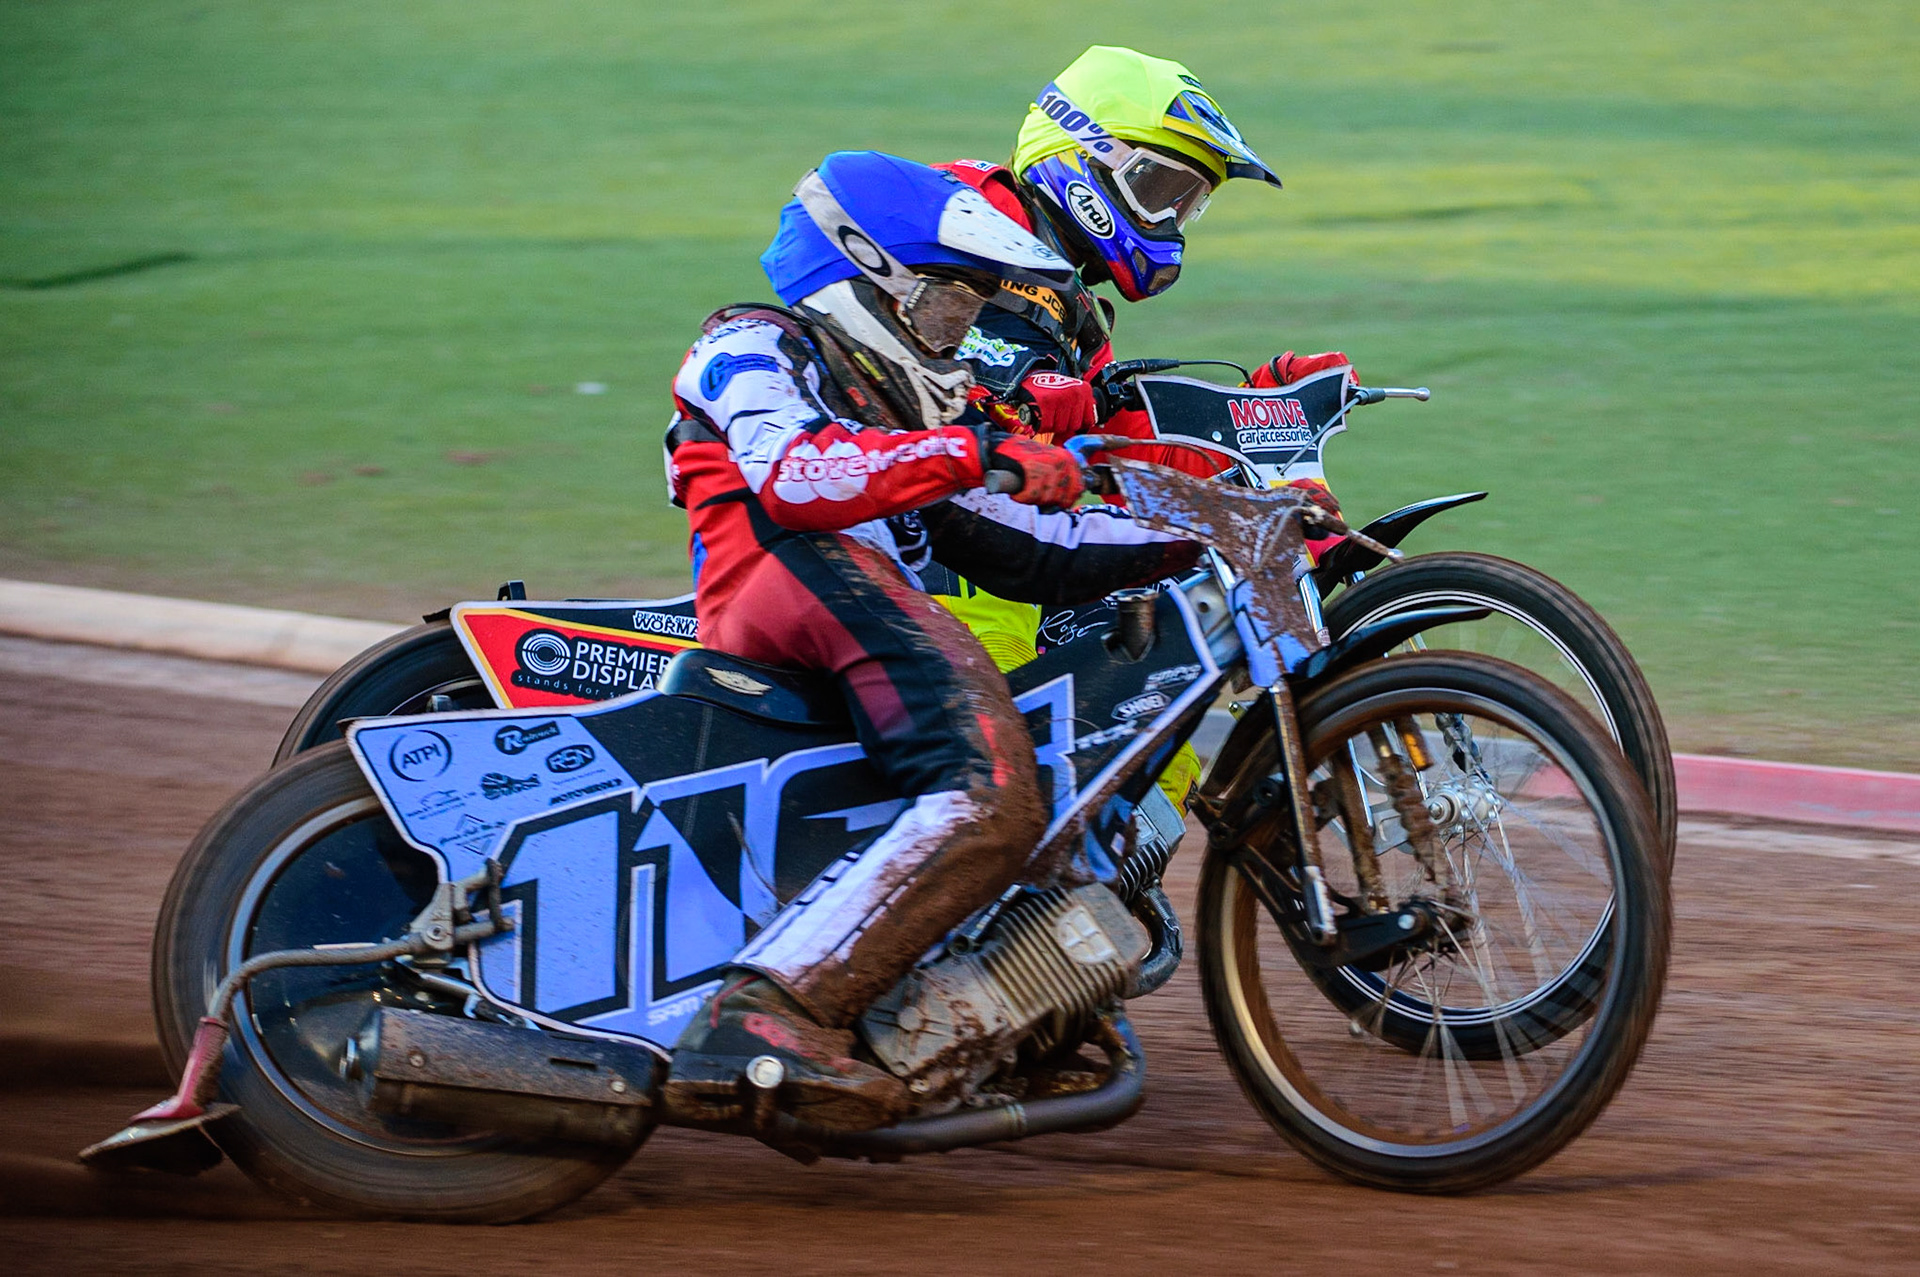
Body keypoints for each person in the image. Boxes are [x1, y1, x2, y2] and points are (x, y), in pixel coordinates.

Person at [661, 150, 1199, 1131]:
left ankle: (960, 999)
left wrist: (1212, 535)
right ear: (867, 276)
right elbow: (795, 474)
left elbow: (1033, 545)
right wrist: (972, 449)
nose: (958, 336)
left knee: (1046, 783)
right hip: (784, 571)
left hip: (848, 590)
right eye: (948, 307)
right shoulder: (754, 341)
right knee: (993, 784)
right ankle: (763, 1016)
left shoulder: (899, 416)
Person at [924, 45, 1357, 805]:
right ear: (1084, 156)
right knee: (1026, 772)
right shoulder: (959, 213)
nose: (1171, 220)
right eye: (1160, 189)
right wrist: (1011, 381)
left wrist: (1250, 418)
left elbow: (1120, 449)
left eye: (1188, 203)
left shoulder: (1071, 307)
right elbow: (918, 348)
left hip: (1008, 550)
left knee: (1167, 709)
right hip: (912, 543)